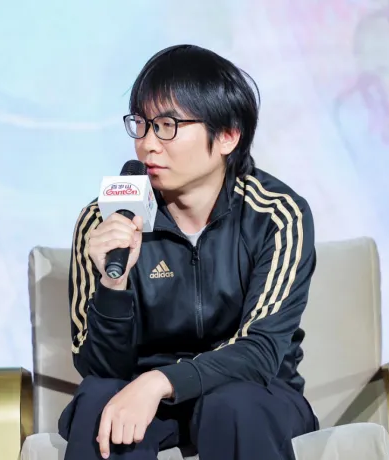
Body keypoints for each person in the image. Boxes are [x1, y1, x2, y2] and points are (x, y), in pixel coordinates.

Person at [59, 44, 319, 460]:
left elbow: (261, 350)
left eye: (167, 126)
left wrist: (162, 381)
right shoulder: (104, 220)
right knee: (98, 401)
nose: (147, 144)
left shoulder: (276, 215)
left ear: (228, 135)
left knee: (235, 406)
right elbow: (99, 367)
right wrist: (112, 283)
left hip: (250, 393)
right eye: (141, 125)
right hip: (143, 395)